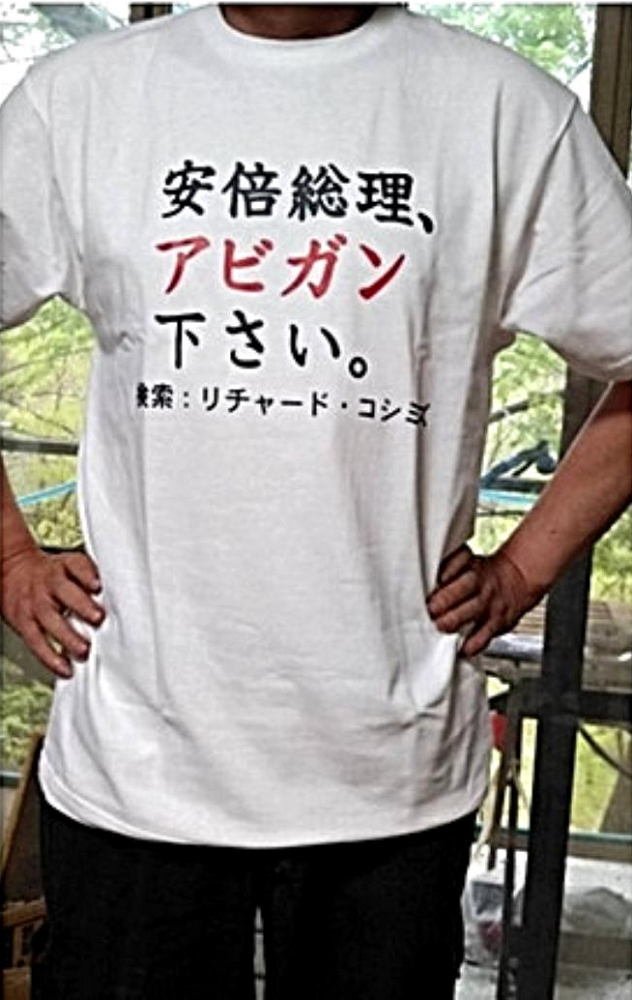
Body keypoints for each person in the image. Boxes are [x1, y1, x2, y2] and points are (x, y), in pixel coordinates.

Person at [1, 4, 631, 998]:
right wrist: (11, 555)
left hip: (392, 776)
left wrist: (523, 567)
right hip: (138, 766)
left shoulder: (504, 112)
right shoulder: (78, 100)